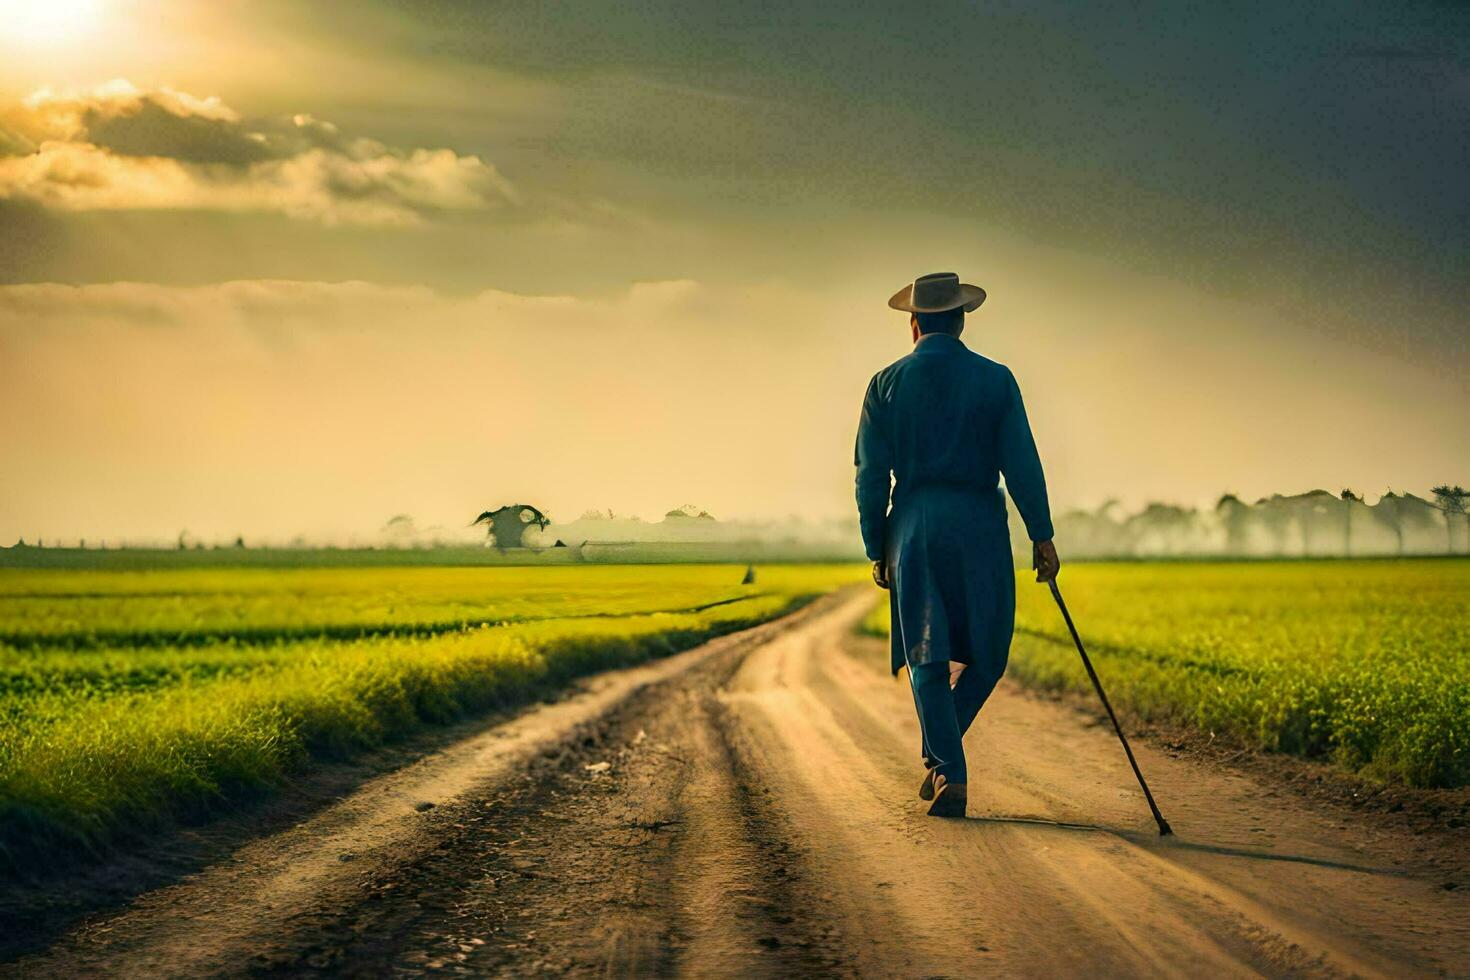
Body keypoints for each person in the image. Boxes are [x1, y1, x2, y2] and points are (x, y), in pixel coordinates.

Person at [855, 272, 1060, 818]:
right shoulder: (996, 380)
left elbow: (871, 476)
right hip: (980, 522)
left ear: (914, 324)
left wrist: (877, 544)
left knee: (927, 649)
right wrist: (1042, 534)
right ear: (963, 320)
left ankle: (945, 760)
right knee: (989, 654)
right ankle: (947, 759)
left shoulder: (885, 383)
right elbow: (1023, 464)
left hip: (915, 523)